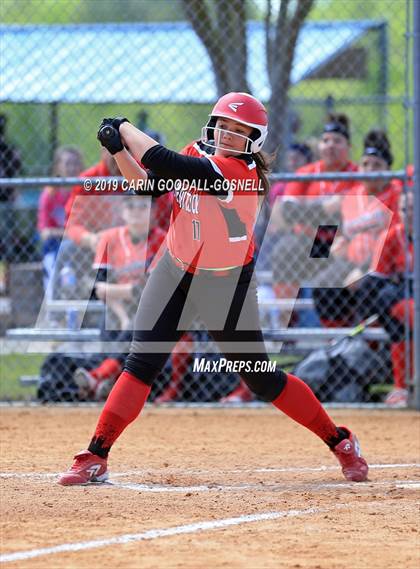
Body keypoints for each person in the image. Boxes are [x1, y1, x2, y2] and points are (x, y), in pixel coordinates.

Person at [59, 92, 368, 485]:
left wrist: (123, 126)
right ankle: (96, 454)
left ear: (253, 142)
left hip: (224, 285)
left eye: (241, 132)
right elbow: (149, 186)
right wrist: (118, 150)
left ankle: (339, 440)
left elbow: (161, 160)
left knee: (260, 378)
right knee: (140, 364)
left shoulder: (240, 174)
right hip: (174, 271)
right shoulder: (197, 153)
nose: (228, 136)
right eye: (224, 126)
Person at [312, 129, 401, 327]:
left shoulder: (395, 193)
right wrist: (338, 242)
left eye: (377, 165)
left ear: (388, 169)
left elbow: (392, 238)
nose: (369, 169)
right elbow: (342, 231)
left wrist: (364, 269)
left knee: (369, 287)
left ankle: (370, 346)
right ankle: (338, 342)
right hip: (350, 261)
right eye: (365, 164)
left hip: (383, 265)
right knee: (323, 285)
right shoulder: (352, 195)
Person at [272, 113, 358, 303]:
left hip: (341, 243)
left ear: (349, 147)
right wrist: (326, 208)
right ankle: (286, 317)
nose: (330, 145)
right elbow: (287, 212)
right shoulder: (306, 173)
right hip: (307, 242)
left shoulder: (358, 174)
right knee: (284, 250)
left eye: (337, 141)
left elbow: (351, 216)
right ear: (319, 146)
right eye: (325, 140)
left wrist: (307, 211)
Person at [356, 190, 414, 408]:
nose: (410, 214)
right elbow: (376, 280)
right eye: (405, 210)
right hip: (401, 300)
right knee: (388, 300)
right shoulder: (393, 235)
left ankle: (403, 386)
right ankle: (402, 387)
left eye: (414, 209)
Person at [37, 146, 84, 297]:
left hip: (80, 246)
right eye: (67, 163)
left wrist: (66, 233)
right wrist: (68, 232)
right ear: (58, 166)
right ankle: (54, 311)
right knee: (54, 262)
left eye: (75, 163)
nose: (72, 168)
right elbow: (45, 233)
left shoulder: (84, 190)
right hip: (55, 247)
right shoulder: (50, 193)